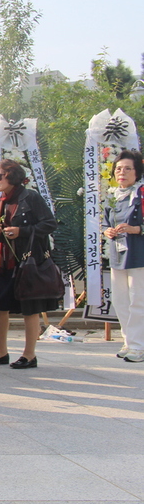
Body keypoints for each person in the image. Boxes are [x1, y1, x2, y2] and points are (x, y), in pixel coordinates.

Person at [0, 159, 58, 368]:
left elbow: (49, 223)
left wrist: (21, 232)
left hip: (28, 261)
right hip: (5, 261)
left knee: (30, 308)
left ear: (12, 176)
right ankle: (1, 352)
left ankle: (29, 354)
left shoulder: (30, 197)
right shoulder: (2, 201)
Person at [103, 149, 144, 363]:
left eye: (128, 169)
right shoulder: (112, 195)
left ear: (137, 172)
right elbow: (104, 222)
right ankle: (129, 341)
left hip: (139, 255)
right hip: (118, 255)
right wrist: (106, 231)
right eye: (118, 169)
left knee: (138, 301)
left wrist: (135, 229)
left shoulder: (142, 193)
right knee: (120, 300)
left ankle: (139, 346)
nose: (122, 173)